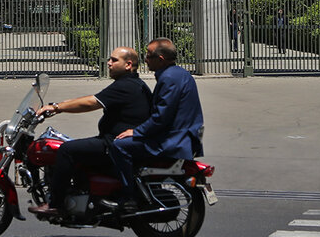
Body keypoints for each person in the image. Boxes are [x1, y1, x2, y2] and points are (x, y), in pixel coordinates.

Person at [27, 47, 151, 219]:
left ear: (128, 64)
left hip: (112, 143)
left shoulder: (125, 86)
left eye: (114, 60)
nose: (109, 63)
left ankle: (56, 204)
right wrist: (57, 105)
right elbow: (93, 97)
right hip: (116, 141)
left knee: (66, 150)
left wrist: (57, 108)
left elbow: (90, 103)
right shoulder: (131, 83)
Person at [111, 37, 204, 208]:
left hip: (173, 140)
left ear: (160, 59)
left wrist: (137, 131)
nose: (145, 59)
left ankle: (128, 195)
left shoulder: (169, 78)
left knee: (119, 145)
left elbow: (161, 116)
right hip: (180, 134)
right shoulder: (179, 73)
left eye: (148, 55)